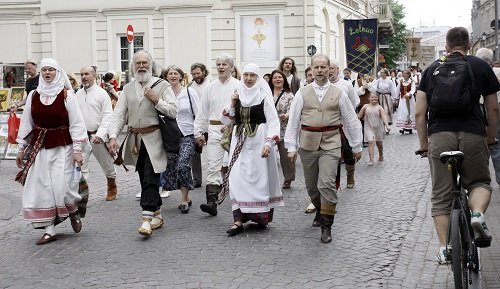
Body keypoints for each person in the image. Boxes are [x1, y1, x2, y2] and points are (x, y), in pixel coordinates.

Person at [415, 27, 499, 264]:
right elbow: (493, 109)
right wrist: (490, 138)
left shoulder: (431, 70)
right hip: (472, 134)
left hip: (440, 137)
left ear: (447, 46)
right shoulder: (481, 66)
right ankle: (477, 214)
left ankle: (444, 248)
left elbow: (420, 113)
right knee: (479, 182)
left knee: (441, 197)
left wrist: (424, 144)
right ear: (469, 44)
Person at [285, 54, 362, 243]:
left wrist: (356, 145)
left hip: (331, 143)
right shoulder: (302, 93)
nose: (319, 71)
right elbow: (293, 121)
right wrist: (291, 146)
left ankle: (327, 225)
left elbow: (351, 120)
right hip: (308, 143)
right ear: (311, 69)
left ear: (330, 69)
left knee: (326, 184)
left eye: (323, 67)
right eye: (316, 67)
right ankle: (319, 210)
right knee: (312, 187)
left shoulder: (340, 93)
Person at [15, 58, 89, 245]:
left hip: (63, 147)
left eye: (51, 70)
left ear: (58, 72)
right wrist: (21, 148)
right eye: (44, 70)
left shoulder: (67, 96)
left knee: (62, 187)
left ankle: (73, 212)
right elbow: (26, 123)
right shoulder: (33, 96)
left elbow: (77, 123)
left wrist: (77, 150)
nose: (47, 73)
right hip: (40, 148)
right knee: (42, 188)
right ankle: (49, 229)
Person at [108, 50, 177, 237]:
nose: (141, 66)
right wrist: (113, 136)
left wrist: (157, 100)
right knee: (143, 177)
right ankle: (157, 215)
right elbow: (119, 115)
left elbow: (173, 111)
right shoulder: (128, 88)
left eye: (144, 62)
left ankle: (146, 219)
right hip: (135, 140)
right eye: (137, 63)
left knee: (150, 177)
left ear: (151, 64)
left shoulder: (162, 85)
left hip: (154, 139)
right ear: (132, 66)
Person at [220, 63, 284, 236]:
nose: (248, 78)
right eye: (246, 75)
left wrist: (268, 143)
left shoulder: (264, 96)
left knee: (258, 179)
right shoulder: (237, 95)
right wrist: (233, 104)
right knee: (236, 178)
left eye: (252, 76)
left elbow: (273, 121)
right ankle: (238, 220)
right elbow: (226, 121)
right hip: (239, 142)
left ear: (257, 78)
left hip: (258, 142)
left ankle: (258, 217)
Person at [194, 54, 240, 217]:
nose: (221, 67)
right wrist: (198, 132)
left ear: (231, 67)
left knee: (235, 166)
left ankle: (241, 201)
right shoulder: (210, 87)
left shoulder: (238, 86)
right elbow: (202, 112)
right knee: (213, 165)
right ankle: (211, 202)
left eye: (224, 64)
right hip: (213, 131)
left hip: (234, 131)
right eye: (218, 64)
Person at [161, 65, 199, 214]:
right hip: (169, 137)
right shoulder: (164, 94)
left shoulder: (189, 92)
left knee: (183, 166)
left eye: (176, 73)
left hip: (187, 134)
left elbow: (198, 113)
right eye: (170, 73)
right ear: (166, 77)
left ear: (181, 76)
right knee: (172, 169)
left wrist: (199, 133)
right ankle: (186, 197)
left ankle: (184, 199)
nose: (173, 76)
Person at [76, 66, 117, 201]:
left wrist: (101, 134)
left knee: (107, 165)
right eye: (82, 74)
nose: (84, 77)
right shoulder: (78, 94)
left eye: (87, 74)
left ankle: (112, 187)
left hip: (98, 136)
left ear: (94, 75)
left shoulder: (102, 94)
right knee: (81, 166)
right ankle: (82, 195)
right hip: (83, 137)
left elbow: (107, 116)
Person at [329, 61, 360, 189]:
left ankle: (350, 174)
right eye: (328, 68)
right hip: (330, 125)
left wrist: (346, 114)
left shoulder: (346, 85)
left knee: (348, 152)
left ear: (338, 69)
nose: (330, 71)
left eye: (332, 68)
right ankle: (331, 182)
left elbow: (354, 102)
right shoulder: (322, 85)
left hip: (344, 124)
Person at [268, 69, 295, 189]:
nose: (278, 79)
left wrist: (286, 115)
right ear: (271, 80)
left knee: (285, 157)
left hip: (284, 129)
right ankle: (267, 179)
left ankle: (288, 178)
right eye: (275, 77)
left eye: (280, 77)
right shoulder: (266, 93)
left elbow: (292, 109)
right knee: (268, 155)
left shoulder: (289, 95)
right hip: (269, 129)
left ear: (283, 79)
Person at [190, 62, 211, 188]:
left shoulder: (211, 84)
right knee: (195, 153)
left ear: (203, 72)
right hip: (196, 123)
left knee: (213, 152)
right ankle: (197, 178)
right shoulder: (190, 87)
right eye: (194, 74)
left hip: (210, 123)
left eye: (198, 73)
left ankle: (215, 178)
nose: (196, 76)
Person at [357, 93, 389, 166]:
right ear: (369, 98)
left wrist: (387, 125)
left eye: (375, 97)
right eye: (372, 97)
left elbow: (384, 116)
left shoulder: (379, 107)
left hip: (378, 127)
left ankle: (381, 155)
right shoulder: (365, 106)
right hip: (368, 127)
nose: (374, 98)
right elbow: (359, 115)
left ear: (378, 98)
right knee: (371, 142)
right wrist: (353, 115)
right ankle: (371, 160)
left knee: (379, 144)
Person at [395, 70, 416, 134]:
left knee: (410, 112)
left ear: (408, 75)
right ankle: (403, 127)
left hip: (410, 99)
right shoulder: (400, 81)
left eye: (405, 73)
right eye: (403, 73)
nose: (403, 74)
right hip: (402, 99)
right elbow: (398, 90)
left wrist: (409, 94)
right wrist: (396, 98)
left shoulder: (412, 82)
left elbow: (413, 90)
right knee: (403, 112)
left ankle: (409, 127)